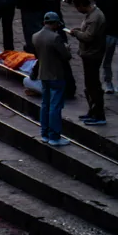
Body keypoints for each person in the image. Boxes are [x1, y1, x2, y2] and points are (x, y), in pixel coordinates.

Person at [31, 12, 71, 145]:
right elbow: (66, 56)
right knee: (55, 106)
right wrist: (66, 48)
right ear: (55, 23)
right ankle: (54, 136)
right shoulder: (55, 38)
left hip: (43, 74)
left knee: (45, 104)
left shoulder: (35, 36)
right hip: (56, 74)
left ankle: (45, 133)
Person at [67, 0, 108, 125]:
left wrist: (77, 33)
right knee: (89, 84)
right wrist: (79, 30)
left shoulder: (95, 18)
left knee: (93, 84)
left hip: (93, 54)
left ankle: (98, 114)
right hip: (89, 53)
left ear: (82, 5)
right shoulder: (92, 15)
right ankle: (92, 111)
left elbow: (88, 37)